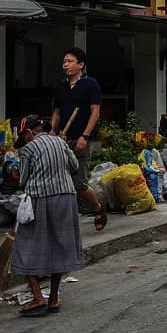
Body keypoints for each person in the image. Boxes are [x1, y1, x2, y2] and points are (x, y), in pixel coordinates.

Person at [12, 115, 85, 317]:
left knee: (23, 247)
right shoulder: (59, 142)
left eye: (24, 136)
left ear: (29, 132)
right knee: (58, 246)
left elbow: (24, 179)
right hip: (67, 198)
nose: (24, 140)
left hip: (41, 199)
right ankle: (52, 298)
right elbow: (75, 167)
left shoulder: (28, 149)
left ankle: (37, 297)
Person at [52, 46, 108, 231]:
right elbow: (57, 112)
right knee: (59, 180)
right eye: (64, 61)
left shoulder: (91, 84)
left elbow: (95, 111)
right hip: (62, 139)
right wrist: (52, 133)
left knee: (79, 183)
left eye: (69, 61)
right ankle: (64, 220)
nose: (65, 65)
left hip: (81, 140)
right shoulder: (61, 86)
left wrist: (85, 135)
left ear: (81, 65)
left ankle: (98, 207)